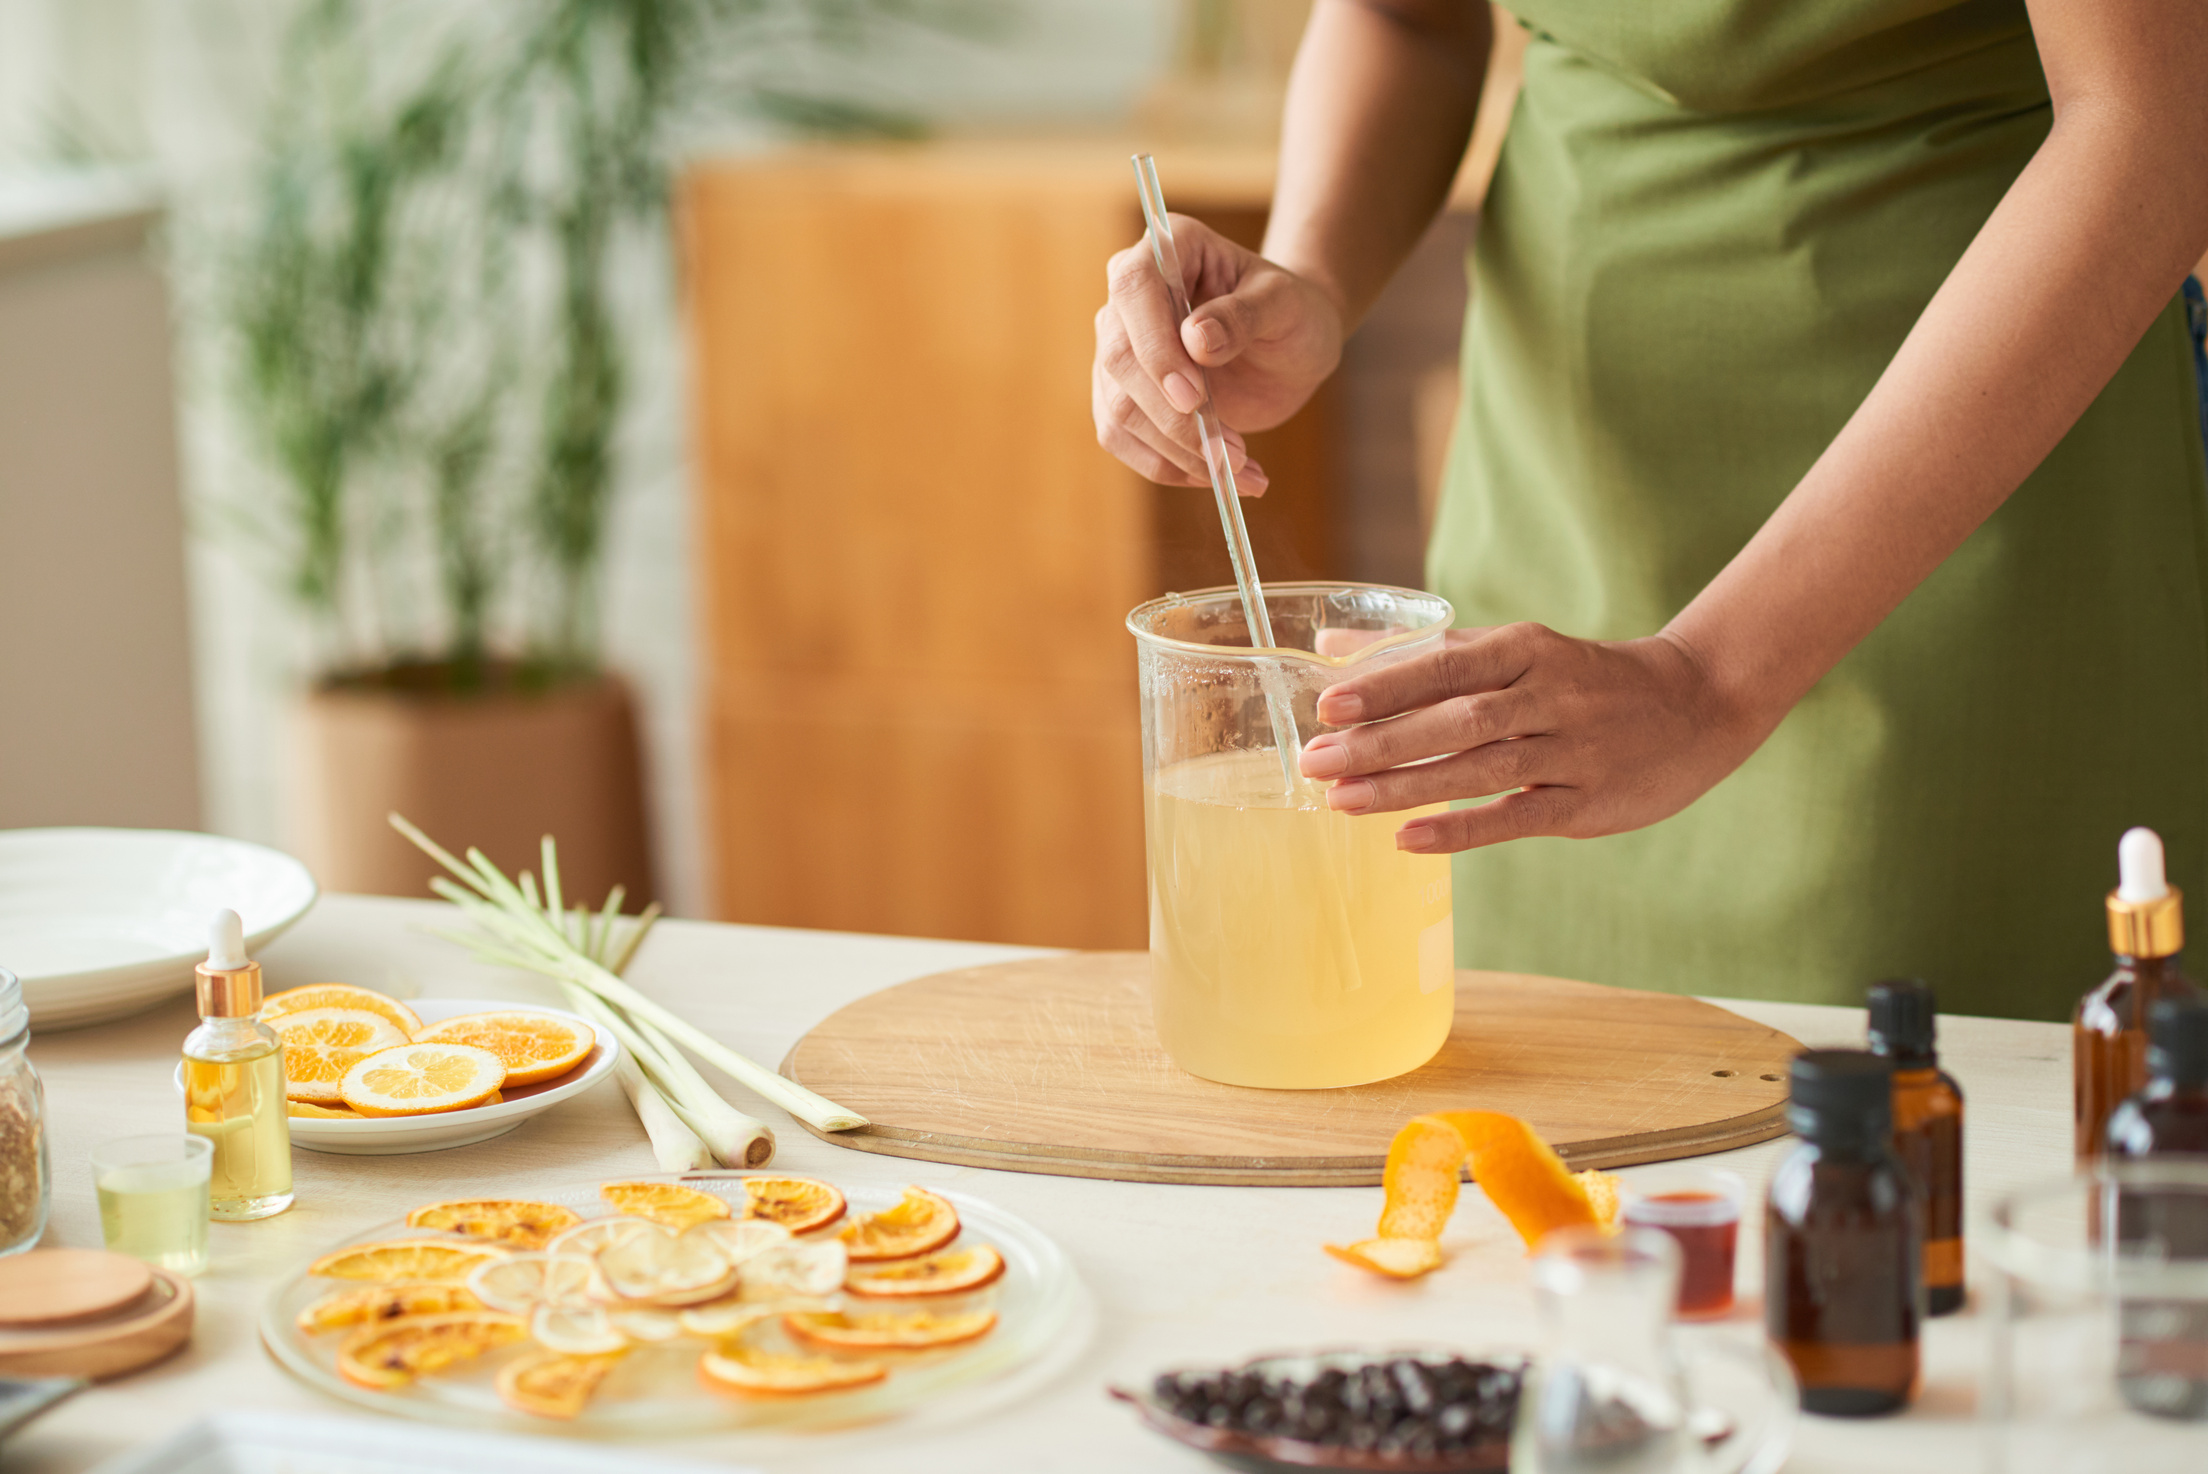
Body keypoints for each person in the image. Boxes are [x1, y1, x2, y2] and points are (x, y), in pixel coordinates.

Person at [1092, 0, 2208, 1020]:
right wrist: (1310, 279)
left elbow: (2152, 122)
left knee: (1907, 1114)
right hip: (1561, 506)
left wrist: (1712, 677)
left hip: (1961, 504)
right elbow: (1409, 18)